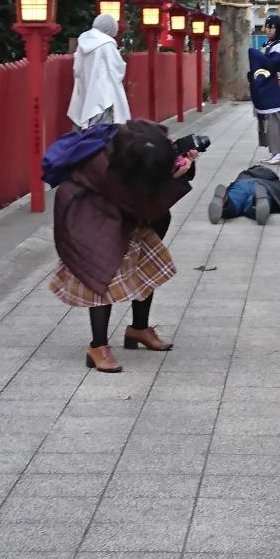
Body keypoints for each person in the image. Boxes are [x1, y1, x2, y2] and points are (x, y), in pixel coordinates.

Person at [49, 120, 197, 373]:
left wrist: (179, 165)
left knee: (145, 264)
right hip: (86, 213)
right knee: (102, 273)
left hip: (118, 208)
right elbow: (145, 204)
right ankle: (97, 347)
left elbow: (150, 181)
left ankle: (139, 329)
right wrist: (174, 177)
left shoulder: (143, 141)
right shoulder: (107, 168)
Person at [67, 13, 130, 131]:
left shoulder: (82, 43)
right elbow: (118, 69)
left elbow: (77, 71)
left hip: (86, 92)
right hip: (105, 94)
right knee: (103, 131)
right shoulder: (107, 45)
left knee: (90, 128)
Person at [249, 14, 280, 166]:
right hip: (267, 86)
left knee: (277, 119)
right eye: (268, 27)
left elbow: (272, 64)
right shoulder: (267, 44)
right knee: (268, 121)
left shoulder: (279, 45)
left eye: (272, 27)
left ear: (278, 29)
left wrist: (255, 55)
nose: (269, 30)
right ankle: (274, 152)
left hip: (273, 86)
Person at [208, 165, 280, 226]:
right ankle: (255, 201)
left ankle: (226, 200)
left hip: (241, 185)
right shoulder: (274, 181)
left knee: (234, 201)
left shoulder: (245, 174)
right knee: (256, 204)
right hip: (260, 186)